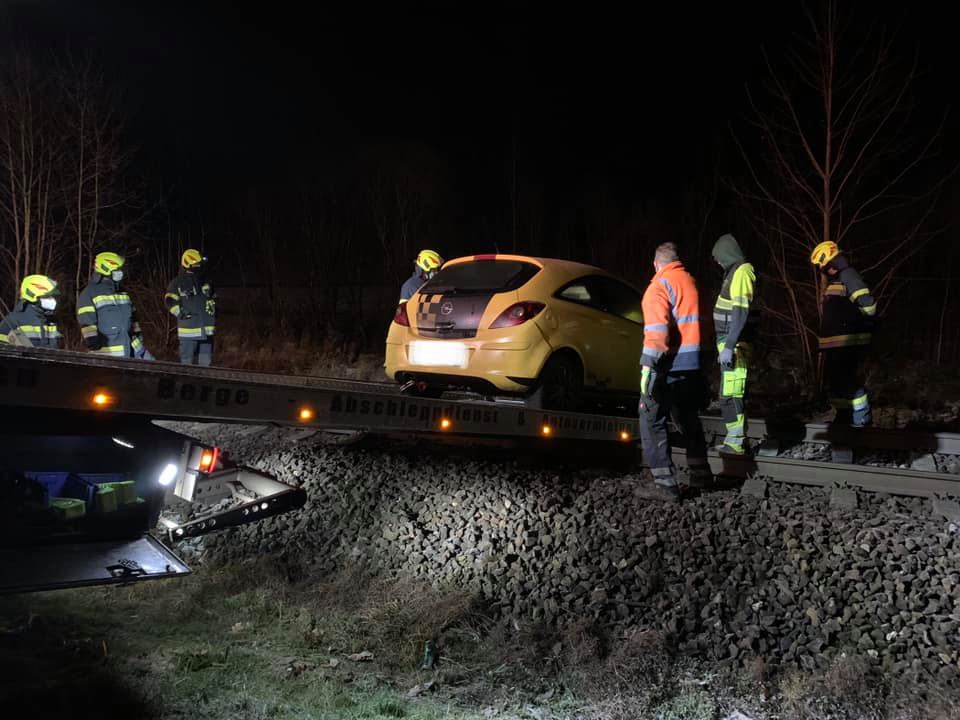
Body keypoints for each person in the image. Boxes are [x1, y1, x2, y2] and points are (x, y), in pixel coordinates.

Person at [638, 242, 711, 501]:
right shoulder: (692, 282)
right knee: (687, 417)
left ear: (656, 264)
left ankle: (664, 484)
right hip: (693, 364)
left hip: (668, 365)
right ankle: (701, 473)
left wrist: (648, 365)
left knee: (651, 416)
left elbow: (657, 332)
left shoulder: (659, 285)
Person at [810, 241, 876, 428]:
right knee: (838, 383)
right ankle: (844, 417)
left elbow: (868, 303)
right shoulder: (838, 279)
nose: (823, 270)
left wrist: (862, 325)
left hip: (849, 342)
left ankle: (861, 419)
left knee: (848, 382)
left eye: (823, 266)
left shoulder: (848, 275)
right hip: (838, 344)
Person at [711, 234, 759, 455]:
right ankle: (736, 440)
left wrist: (730, 345)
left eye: (719, 258)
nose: (718, 262)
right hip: (729, 343)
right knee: (730, 393)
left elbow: (740, 311)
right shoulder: (733, 273)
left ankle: (736, 442)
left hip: (735, 344)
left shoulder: (742, 272)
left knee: (731, 394)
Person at [77, 251, 154, 359]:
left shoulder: (123, 292)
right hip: (108, 353)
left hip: (133, 349)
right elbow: (86, 320)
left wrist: (138, 335)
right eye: (118, 269)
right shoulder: (89, 293)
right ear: (106, 269)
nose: (121, 272)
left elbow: (133, 317)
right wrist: (92, 340)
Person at [165, 248, 216, 366]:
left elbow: (213, 299)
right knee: (187, 364)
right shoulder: (177, 283)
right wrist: (181, 312)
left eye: (200, 264)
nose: (199, 267)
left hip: (207, 330)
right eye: (196, 264)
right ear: (188, 264)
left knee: (205, 364)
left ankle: (204, 383)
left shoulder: (204, 281)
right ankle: (186, 384)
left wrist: (211, 293)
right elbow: (169, 300)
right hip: (189, 331)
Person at [0, 274, 62, 348]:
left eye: (52, 297)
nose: (52, 300)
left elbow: (53, 353)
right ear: (32, 296)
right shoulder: (13, 321)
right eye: (47, 297)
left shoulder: (50, 323)